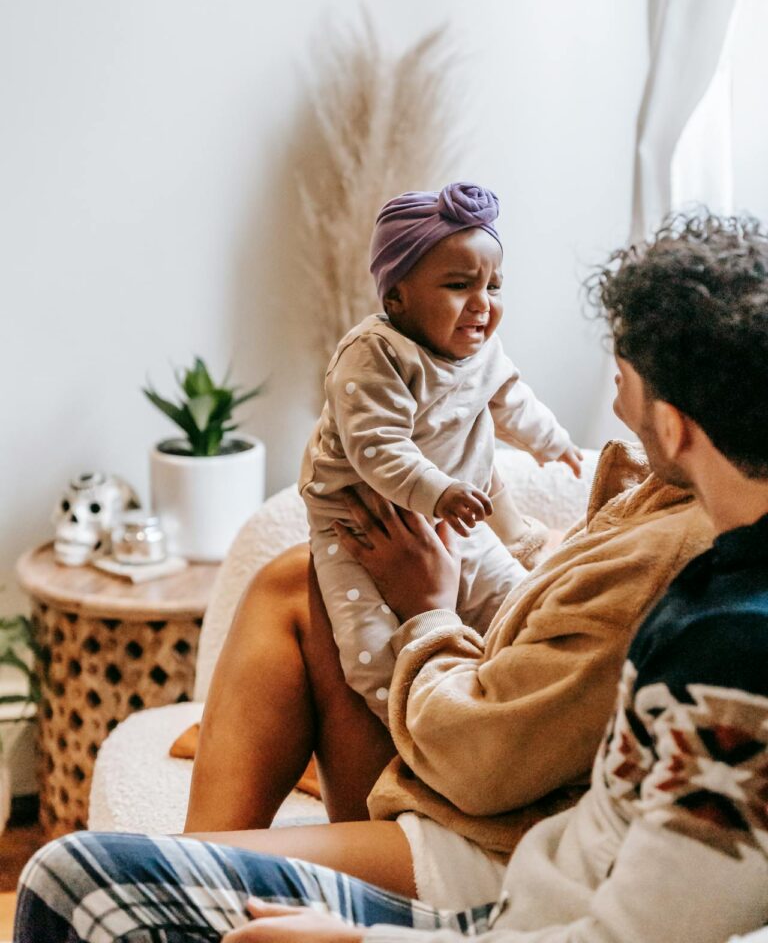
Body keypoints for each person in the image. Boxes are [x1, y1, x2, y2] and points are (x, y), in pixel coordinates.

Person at [18, 208, 768, 942]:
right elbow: (569, 610)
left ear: (674, 426)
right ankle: (195, 868)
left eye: (623, 375)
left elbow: (494, 767)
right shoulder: (681, 508)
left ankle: (191, 876)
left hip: (488, 838)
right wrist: (506, 551)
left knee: (70, 873)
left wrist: (431, 612)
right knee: (300, 579)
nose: (612, 397)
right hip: (503, 797)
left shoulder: (701, 605)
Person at [302, 181, 582, 720]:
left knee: (520, 610)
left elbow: (514, 402)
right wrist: (441, 491)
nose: (482, 304)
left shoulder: (482, 353)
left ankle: (490, 706)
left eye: (494, 286)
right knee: (369, 653)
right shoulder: (376, 353)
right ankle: (414, 731)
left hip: (454, 516)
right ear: (396, 297)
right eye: (459, 285)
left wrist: (555, 444)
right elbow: (376, 447)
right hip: (359, 522)